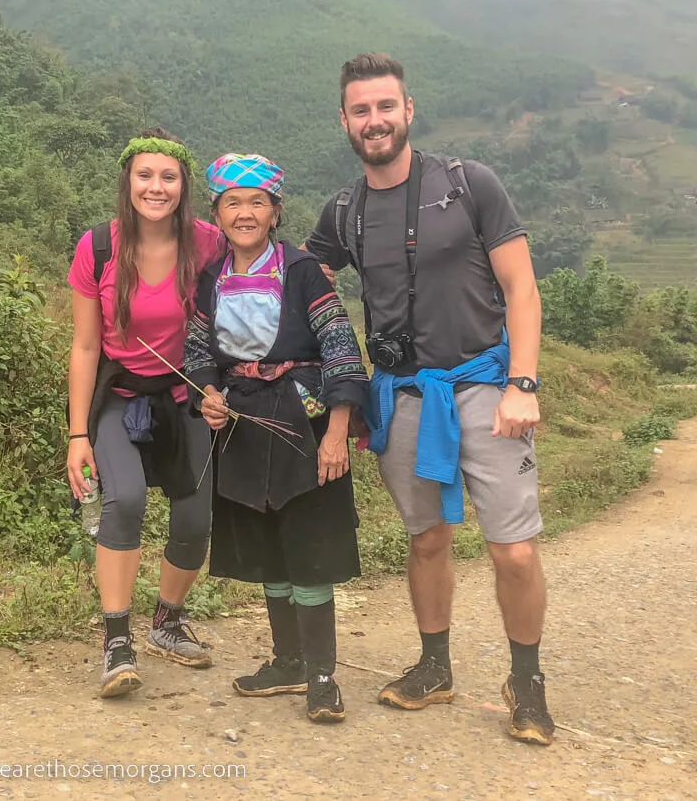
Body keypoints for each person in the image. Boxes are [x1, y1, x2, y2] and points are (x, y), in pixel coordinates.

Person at [303, 53, 554, 745]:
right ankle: (435, 665)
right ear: (345, 122)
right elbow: (303, 281)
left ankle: (526, 681)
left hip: (485, 386)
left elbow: (522, 290)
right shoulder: (345, 211)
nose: (375, 120)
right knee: (427, 540)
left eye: (386, 106)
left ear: (408, 110)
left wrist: (522, 384)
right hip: (403, 397)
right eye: (361, 110)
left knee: (515, 551)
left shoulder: (469, 185)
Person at [184, 153, 369, 723]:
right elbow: (197, 356)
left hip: (301, 426)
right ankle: (287, 661)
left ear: (275, 211)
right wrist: (207, 398)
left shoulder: (303, 270)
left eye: (256, 202)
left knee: (309, 548)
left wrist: (335, 434)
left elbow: (340, 347)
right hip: (242, 429)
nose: (245, 212)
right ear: (216, 212)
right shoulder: (211, 278)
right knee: (269, 551)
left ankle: (321, 677)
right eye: (232, 202)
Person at [67, 127, 225, 699]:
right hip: (121, 395)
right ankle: (117, 640)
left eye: (168, 177)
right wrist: (77, 433)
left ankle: (167, 621)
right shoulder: (99, 248)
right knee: (125, 499)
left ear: (183, 186)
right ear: (127, 180)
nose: (156, 187)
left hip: (185, 395)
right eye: (144, 175)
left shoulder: (207, 243)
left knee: (195, 519)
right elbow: (86, 347)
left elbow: (256, 277)